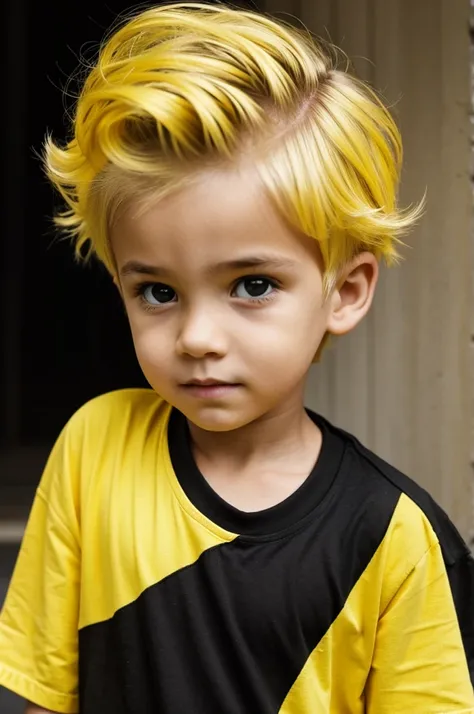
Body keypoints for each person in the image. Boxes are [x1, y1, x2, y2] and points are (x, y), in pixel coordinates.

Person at [0, 2, 473, 712]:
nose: (196, 337)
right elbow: (44, 695)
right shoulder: (92, 452)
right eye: (157, 291)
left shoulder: (395, 537)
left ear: (345, 291)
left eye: (252, 286)